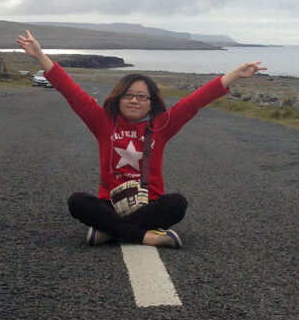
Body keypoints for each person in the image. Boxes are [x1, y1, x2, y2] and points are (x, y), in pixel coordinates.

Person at [16, 30, 266, 248]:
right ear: (118, 98)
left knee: (177, 204)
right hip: (110, 204)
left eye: (141, 97)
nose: (134, 100)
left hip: (150, 206)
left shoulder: (162, 125)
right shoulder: (103, 122)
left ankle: (108, 231)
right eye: (128, 95)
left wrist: (233, 75)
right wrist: (39, 56)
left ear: (151, 104)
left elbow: (194, 102)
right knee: (77, 202)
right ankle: (148, 237)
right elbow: (71, 91)